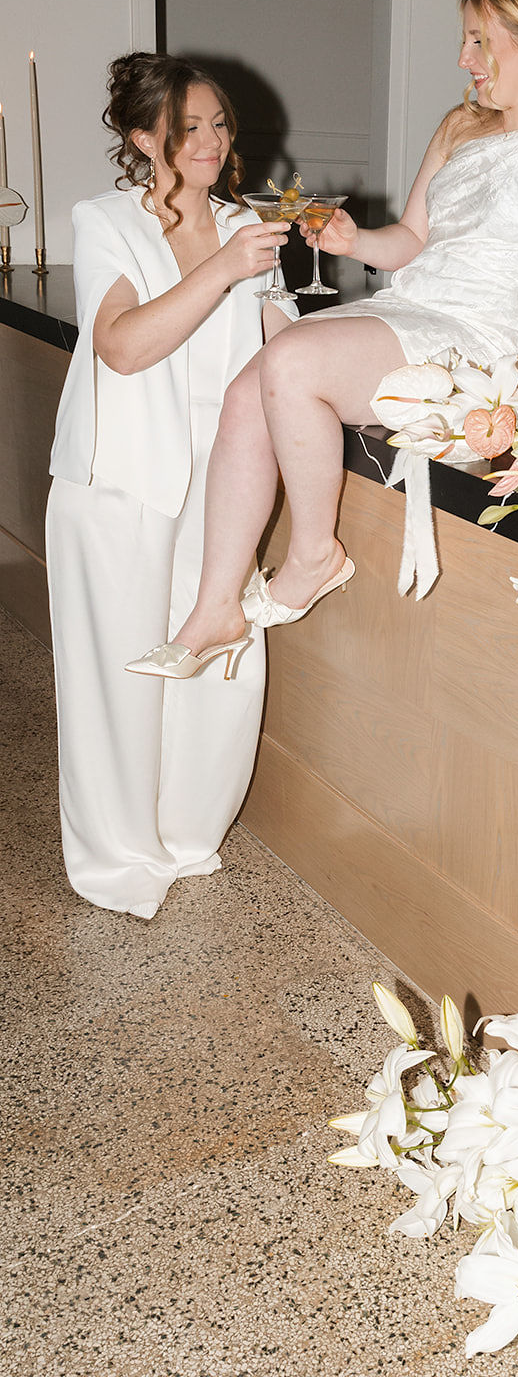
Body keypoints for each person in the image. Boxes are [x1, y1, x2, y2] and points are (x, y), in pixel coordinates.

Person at [152, 0, 518, 661]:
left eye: (478, 41)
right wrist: (352, 240)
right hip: (413, 306)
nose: (463, 60)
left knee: (292, 359)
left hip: (484, 339)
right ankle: (213, 610)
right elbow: (411, 240)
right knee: (249, 388)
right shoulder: (461, 125)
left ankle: (313, 555)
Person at [47, 53, 295, 919]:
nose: (213, 140)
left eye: (221, 123)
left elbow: (281, 351)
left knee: (220, 659)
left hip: (222, 483)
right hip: (119, 477)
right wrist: (223, 268)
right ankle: (118, 854)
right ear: (142, 135)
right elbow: (120, 345)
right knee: (118, 675)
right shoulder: (107, 220)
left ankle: (189, 833)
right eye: (191, 126)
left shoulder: (246, 223)